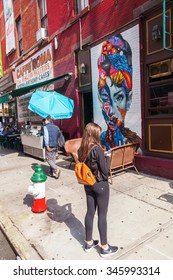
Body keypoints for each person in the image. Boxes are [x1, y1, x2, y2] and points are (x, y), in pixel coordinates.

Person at [78, 122, 119, 257]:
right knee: (102, 215)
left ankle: (89, 242)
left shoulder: (81, 148)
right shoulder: (98, 149)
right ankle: (105, 247)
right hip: (101, 185)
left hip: (88, 184)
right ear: (95, 134)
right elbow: (105, 171)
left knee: (90, 212)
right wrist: (108, 157)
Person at [97, 34, 142, 150]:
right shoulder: (102, 140)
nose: (111, 110)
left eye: (119, 98)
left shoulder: (132, 140)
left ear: (129, 100)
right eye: (105, 98)